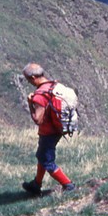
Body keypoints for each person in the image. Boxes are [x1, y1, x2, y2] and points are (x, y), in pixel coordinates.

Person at [20, 63, 76, 194]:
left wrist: (30, 104)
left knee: (47, 160)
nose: (29, 82)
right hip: (58, 128)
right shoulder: (53, 86)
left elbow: (38, 120)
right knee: (42, 156)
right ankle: (36, 184)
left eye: (28, 80)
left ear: (33, 77)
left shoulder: (40, 95)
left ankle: (68, 185)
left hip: (48, 132)